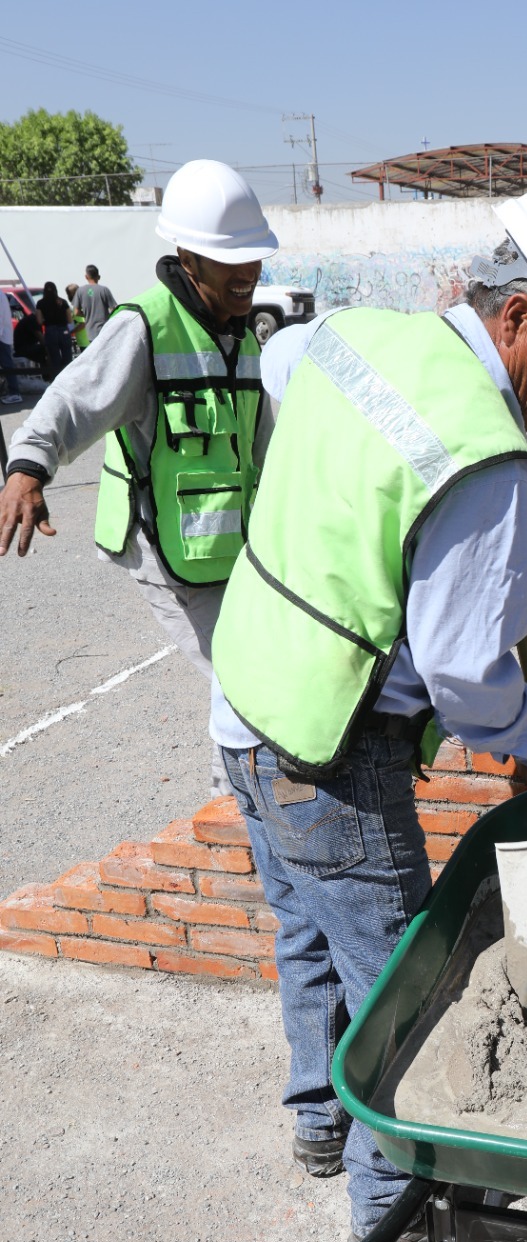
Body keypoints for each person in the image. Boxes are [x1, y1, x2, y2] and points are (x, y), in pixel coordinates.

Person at [209, 182, 527, 1242]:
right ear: (517, 320)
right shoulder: (486, 457)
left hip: (241, 704)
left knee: (304, 932)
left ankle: (320, 1122)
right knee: (402, 995)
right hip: (331, 749)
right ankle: (393, 1222)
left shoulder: (352, 335)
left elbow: (278, 377)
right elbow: (464, 677)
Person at [0, 161, 278, 794]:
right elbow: (73, 399)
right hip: (163, 545)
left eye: (253, 258)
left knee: (258, 665)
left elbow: (261, 444)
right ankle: (234, 812)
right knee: (243, 676)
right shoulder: (144, 326)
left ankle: (240, 809)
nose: (249, 274)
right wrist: (26, 467)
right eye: (231, 259)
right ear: (188, 255)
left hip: (229, 547)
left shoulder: (245, 336)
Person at [36, 283, 74, 376]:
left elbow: (39, 321)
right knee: (67, 357)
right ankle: (69, 378)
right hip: (64, 330)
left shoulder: (40, 303)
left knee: (54, 358)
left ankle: (57, 380)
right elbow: (70, 320)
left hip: (50, 331)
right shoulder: (63, 302)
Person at [73, 265, 117, 342]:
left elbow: (76, 312)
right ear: (99, 276)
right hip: (104, 330)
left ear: (86, 277)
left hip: (90, 332)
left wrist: (87, 314)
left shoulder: (80, 291)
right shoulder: (104, 290)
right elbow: (113, 309)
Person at [0, 292, 22, 405]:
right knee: (7, 365)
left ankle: (14, 393)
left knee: (7, 365)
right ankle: (13, 392)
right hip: (4, 336)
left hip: (2, 338)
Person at [66, 284, 89, 352]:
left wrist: (70, 332)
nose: (68, 296)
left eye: (69, 294)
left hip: (85, 342)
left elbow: (82, 324)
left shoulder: (79, 306)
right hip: (84, 341)